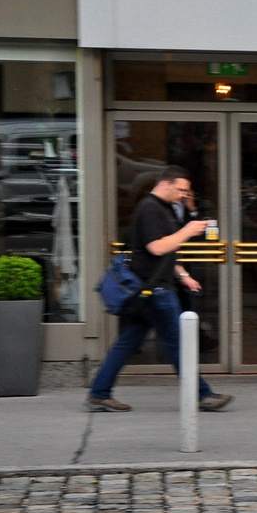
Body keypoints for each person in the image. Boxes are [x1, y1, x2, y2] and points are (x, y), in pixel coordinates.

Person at [87, 166, 232, 413]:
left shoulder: (163, 209)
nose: (184, 195)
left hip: (150, 288)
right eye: (181, 190)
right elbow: (157, 248)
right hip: (155, 291)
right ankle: (203, 394)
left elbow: (169, 252)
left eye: (187, 192)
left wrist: (183, 275)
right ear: (166, 184)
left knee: (127, 343)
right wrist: (187, 230)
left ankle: (100, 392)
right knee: (178, 343)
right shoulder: (149, 208)